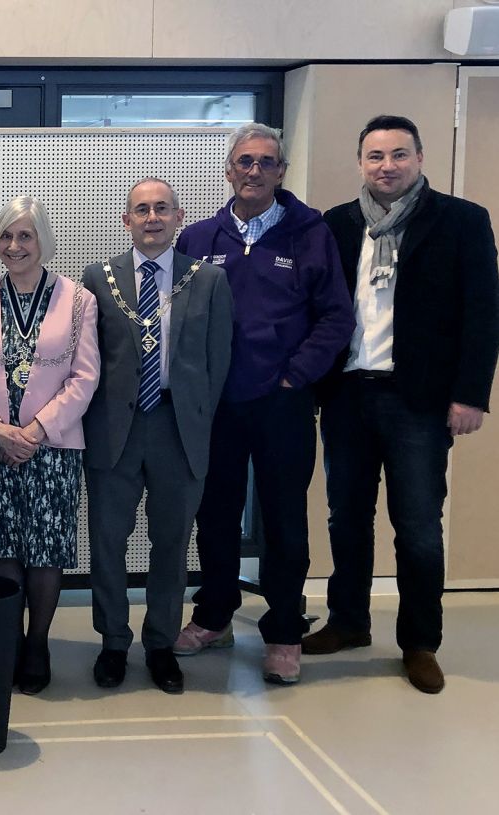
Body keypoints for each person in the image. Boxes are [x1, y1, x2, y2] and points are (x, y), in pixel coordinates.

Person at [306, 115, 499, 694]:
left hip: (419, 399)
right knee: (346, 518)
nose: (386, 165)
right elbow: (317, 308)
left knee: (417, 526)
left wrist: (470, 395)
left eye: (397, 154)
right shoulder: (336, 225)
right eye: (374, 156)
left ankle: (420, 641)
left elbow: (483, 314)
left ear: (419, 157)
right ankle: (348, 622)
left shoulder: (461, 221)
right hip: (348, 392)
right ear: (360, 162)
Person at [173, 124, 354, 685]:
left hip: (283, 404)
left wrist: (294, 377)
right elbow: (176, 320)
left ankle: (282, 630)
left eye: (266, 162)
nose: (254, 170)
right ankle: (215, 615)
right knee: (216, 514)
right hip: (219, 407)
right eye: (244, 161)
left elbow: (336, 317)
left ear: (281, 171)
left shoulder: (310, 233)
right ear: (228, 169)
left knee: (282, 519)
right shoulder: (199, 239)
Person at [82, 179, 232, 695]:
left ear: (178, 218)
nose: (152, 218)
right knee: (107, 540)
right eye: (141, 210)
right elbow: (91, 361)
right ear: (126, 220)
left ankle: (161, 644)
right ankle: (114, 642)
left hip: (177, 428)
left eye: (162, 209)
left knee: (171, 542)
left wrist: (195, 423)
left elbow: (218, 362)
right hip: (115, 431)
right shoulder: (98, 279)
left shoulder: (207, 279)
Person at [0, 196, 100, 695]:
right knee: (4, 545)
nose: (15, 246)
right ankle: (8, 639)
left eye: (26, 236)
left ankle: (37, 643)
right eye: (7, 236)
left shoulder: (78, 300)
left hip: (51, 448)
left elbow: (85, 376)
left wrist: (35, 431)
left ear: (43, 241)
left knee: (45, 549)